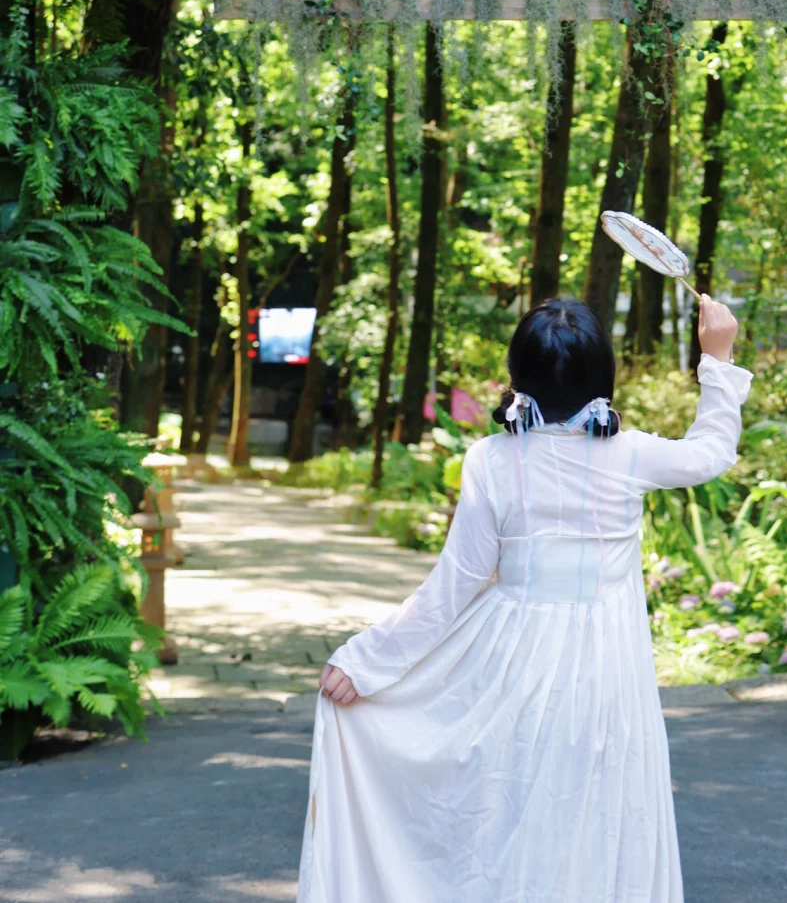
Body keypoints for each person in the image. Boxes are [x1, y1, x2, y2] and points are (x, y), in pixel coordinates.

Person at [298, 293, 749, 903]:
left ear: (519, 379)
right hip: (604, 665)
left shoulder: (492, 459)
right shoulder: (631, 454)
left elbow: (455, 584)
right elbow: (712, 451)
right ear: (602, 377)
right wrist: (715, 360)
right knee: (596, 805)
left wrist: (368, 660)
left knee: (506, 808)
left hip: (506, 661)